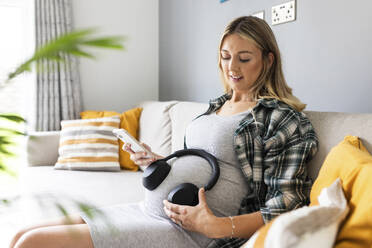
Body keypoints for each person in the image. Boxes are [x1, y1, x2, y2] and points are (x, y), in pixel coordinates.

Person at [10, 16, 318, 248]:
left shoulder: (281, 119)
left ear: (268, 60)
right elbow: (202, 162)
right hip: (148, 210)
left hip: (192, 232)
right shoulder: (216, 106)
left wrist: (218, 226)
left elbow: (287, 205)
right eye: (225, 56)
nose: (231, 66)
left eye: (244, 58)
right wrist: (157, 161)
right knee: (21, 234)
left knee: (31, 243)